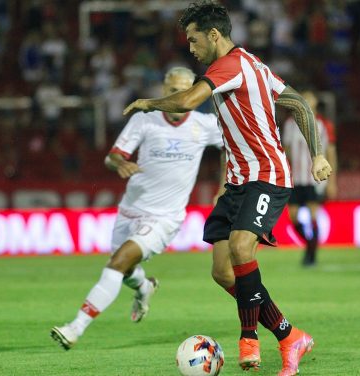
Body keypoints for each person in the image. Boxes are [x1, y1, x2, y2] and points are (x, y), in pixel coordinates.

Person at [123, 2, 332, 375]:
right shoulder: (254, 65)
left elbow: (187, 101)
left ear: (213, 35)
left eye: (193, 39)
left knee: (240, 246)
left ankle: (248, 338)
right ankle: (289, 336)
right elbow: (299, 105)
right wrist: (316, 154)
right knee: (223, 272)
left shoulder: (228, 66)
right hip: (237, 181)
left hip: (266, 175)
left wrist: (148, 103)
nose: (190, 48)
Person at [50, 67, 224, 350]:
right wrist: (121, 163)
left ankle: (75, 328)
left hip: (165, 218)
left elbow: (232, 146)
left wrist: (224, 187)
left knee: (117, 262)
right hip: (130, 209)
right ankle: (145, 287)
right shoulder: (146, 119)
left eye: (184, 89)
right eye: (172, 90)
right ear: (163, 91)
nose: (178, 95)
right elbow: (113, 156)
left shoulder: (204, 124)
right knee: (125, 269)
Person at [282, 90, 337, 266]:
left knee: (314, 214)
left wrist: (332, 181)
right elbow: (287, 150)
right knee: (293, 217)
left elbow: (330, 152)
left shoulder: (323, 124)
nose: (306, 100)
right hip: (296, 178)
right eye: (303, 97)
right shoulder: (290, 124)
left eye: (309, 97)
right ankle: (310, 247)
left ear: (314, 102)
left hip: (315, 179)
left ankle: (311, 256)